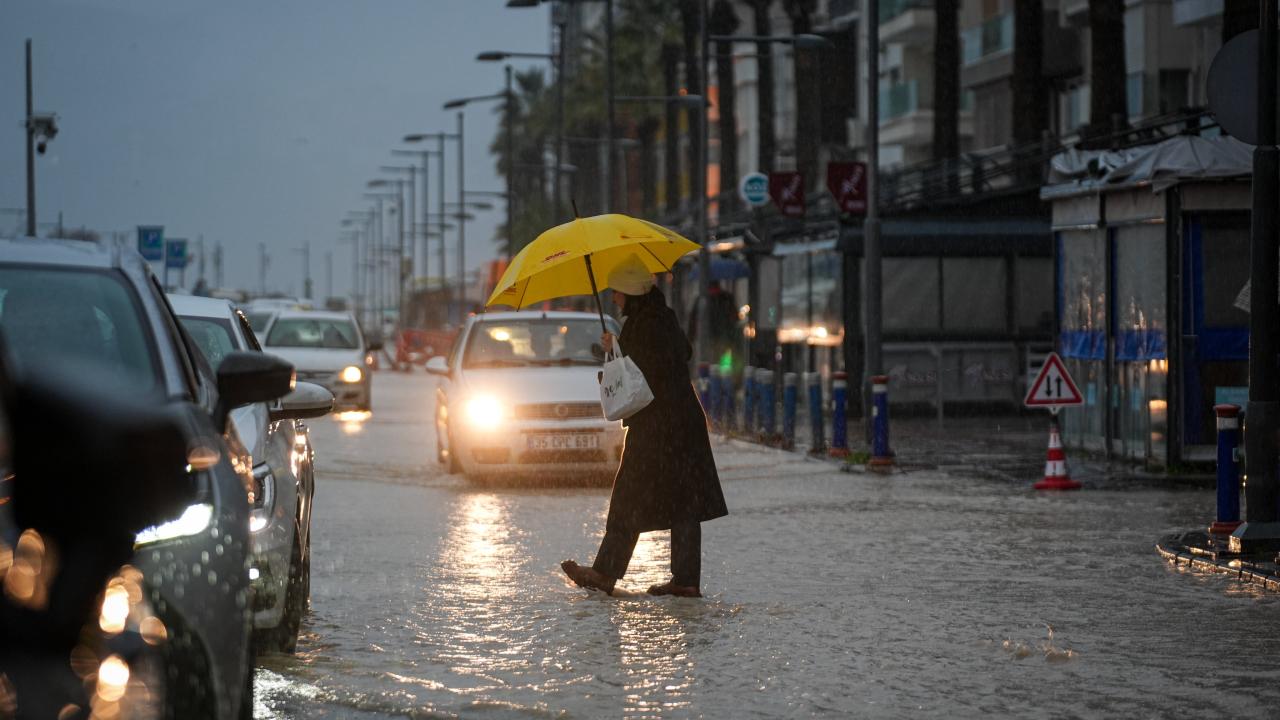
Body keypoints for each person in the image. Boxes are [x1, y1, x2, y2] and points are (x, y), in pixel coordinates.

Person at [561, 255, 728, 597]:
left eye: (617, 292)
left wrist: (618, 350)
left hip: (659, 425)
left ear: (629, 292)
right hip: (678, 424)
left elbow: (641, 374)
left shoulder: (645, 324)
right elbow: (679, 352)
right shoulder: (660, 317)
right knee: (683, 501)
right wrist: (619, 347)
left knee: (629, 495)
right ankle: (684, 582)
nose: (613, 298)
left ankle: (606, 574)